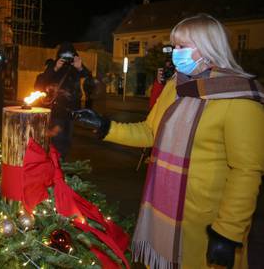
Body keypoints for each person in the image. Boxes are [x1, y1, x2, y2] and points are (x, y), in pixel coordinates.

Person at [74, 14, 264, 269]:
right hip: (165, 214)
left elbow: (247, 171)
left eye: (182, 47)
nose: (175, 53)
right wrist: (105, 125)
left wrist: (228, 231)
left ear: (206, 48)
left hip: (207, 225)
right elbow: (150, 132)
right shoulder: (176, 85)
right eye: (173, 46)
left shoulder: (239, 97)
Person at [40, 42, 90, 159]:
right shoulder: (54, 65)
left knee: (67, 142)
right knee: (57, 142)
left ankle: (62, 166)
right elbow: (42, 82)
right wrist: (55, 68)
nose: (67, 58)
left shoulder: (75, 66)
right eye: (64, 55)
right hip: (58, 111)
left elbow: (88, 78)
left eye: (69, 55)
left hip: (72, 112)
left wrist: (80, 67)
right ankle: (56, 166)